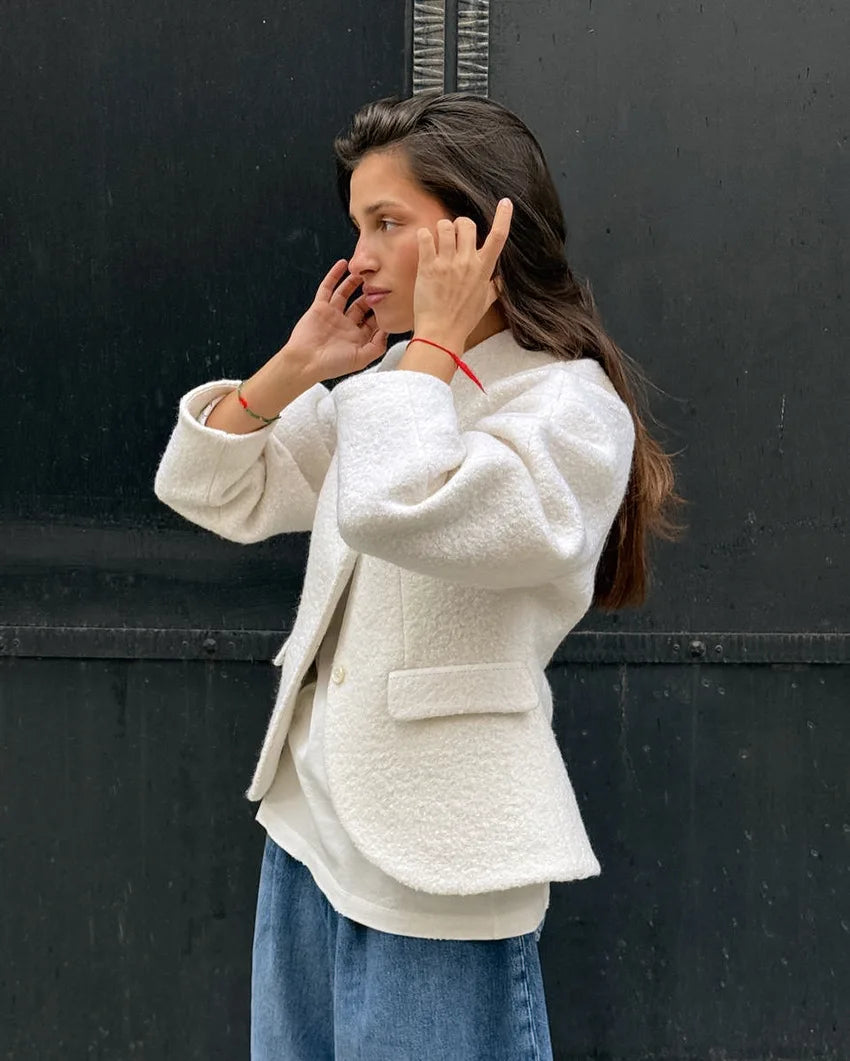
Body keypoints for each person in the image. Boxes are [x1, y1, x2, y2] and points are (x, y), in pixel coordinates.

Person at [154, 90, 684, 1061]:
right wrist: (294, 366)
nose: (356, 255)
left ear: (477, 236)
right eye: (355, 225)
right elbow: (212, 490)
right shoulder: (394, 387)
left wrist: (428, 353)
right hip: (309, 829)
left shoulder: (566, 405)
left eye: (385, 223)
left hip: (440, 858)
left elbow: (400, 505)